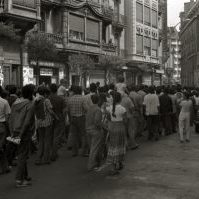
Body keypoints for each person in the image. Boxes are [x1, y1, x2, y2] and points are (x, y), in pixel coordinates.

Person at [9, 84, 35, 187]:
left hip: (14, 131)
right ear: (31, 93)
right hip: (24, 133)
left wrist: (12, 132)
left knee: (21, 153)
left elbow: (10, 119)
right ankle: (19, 180)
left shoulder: (16, 103)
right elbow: (27, 122)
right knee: (22, 156)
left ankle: (24, 176)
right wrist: (21, 134)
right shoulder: (30, 104)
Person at [34, 86, 58, 165]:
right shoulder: (46, 100)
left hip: (39, 122)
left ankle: (38, 159)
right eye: (47, 94)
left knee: (40, 141)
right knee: (47, 141)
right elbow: (50, 111)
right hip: (47, 122)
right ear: (45, 93)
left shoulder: (36, 100)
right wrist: (56, 117)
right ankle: (46, 159)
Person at [105, 92, 127, 175]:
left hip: (112, 128)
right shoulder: (122, 109)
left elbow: (108, 119)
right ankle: (119, 163)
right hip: (120, 128)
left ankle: (114, 166)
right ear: (120, 99)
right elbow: (125, 120)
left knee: (113, 147)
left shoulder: (109, 108)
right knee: (120, 146)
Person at [67, 86, 87, 157]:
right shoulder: (83, 98)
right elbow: (86, 108)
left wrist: (69, 118)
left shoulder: (70, 99)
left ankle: (74, 152)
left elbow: (68, 110)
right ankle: (83, 151)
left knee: (74, 135)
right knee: (83, 135)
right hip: (81, 117)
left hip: (73, 118)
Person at [49, 84, 66, 161]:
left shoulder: (47, 98)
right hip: (59, 118)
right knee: (56, 137)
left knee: (49, 136)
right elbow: (64, 110)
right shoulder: (60, 99)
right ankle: (54, 154)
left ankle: (47, 154)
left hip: (49, 118)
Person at [86, 94, 103, 171]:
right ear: (98, 100)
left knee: (92, 148)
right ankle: (91, 165)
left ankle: (95, 162)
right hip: (95, 130)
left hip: (88, 129)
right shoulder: (98, 109)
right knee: (94, 148)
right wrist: (101, 128)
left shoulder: (89, 108)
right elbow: (97, 122)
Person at [0, 87, 11, 175]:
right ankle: (4, 167)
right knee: (2, 147)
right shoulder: (4, 102)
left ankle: (5, 167)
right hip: (2, 126)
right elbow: (7, 117)